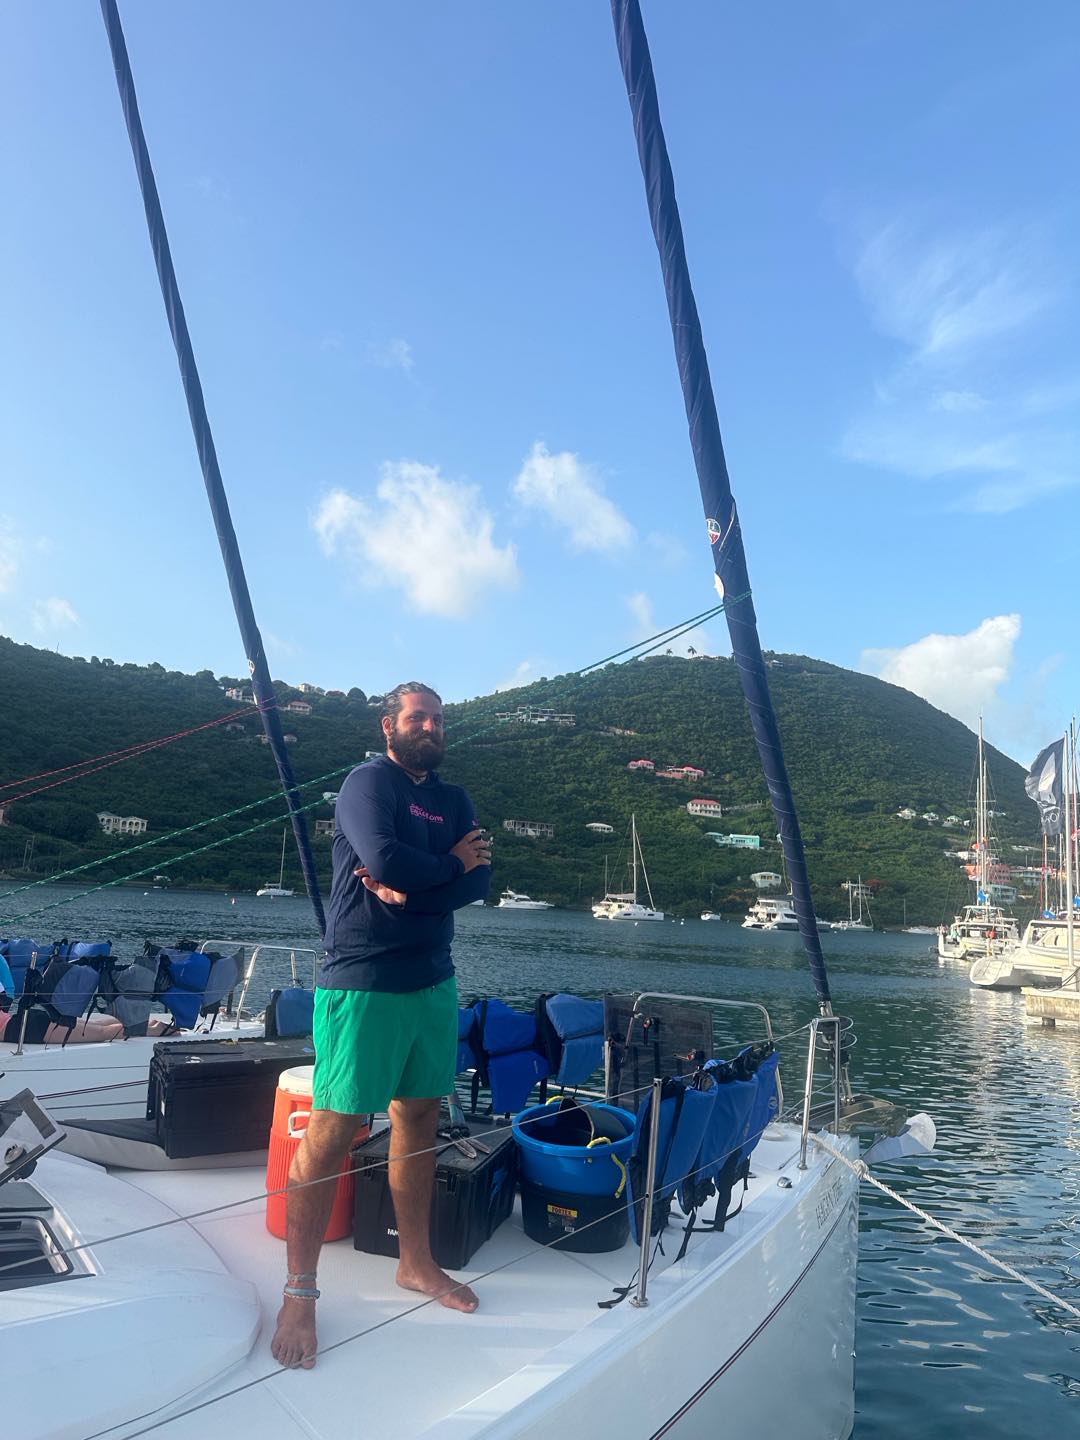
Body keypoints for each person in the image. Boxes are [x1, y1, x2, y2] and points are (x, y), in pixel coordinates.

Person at [271, 681, 492, 1370]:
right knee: (335, 1126)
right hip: (363, 978)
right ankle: (300, 1290)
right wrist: (444, 867)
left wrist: (416, 891)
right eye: (418, 717)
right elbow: (386, 861)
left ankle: (415, 1262)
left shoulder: (454, 799)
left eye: (439, 719)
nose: (430, 726)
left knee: (420, 1117)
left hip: (433, 978)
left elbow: (478, 883)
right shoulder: (368, 783)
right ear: (389, 725)